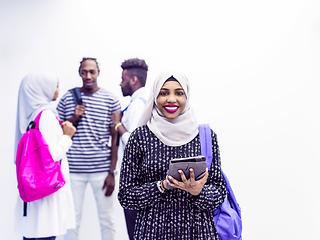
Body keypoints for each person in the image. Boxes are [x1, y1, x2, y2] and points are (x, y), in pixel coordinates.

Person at [118, 69, 227, 240]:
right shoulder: (140, 137)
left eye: (179, 93)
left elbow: (219, 192)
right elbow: (126, 197)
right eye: (163, 93)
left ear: (187, 96)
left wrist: (198, 191)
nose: (171, 99)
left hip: (197, 232)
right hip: (152, 232)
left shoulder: (206, 136)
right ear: (155, 96)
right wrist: (161, 186)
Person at [56, 57, 121, 240]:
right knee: (71, 219)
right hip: (74, 171)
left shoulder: (110, 99)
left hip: (101, 170)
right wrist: (74, 118)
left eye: (92, 71)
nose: (88, 76)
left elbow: (114, 138)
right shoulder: (68, 97)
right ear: (79, 73)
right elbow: (56, 131)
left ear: (98, 72)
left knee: (107, 219)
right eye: (84, 71)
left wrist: (112, 172)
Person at [14, 72, 76, 240]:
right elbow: (51, 156)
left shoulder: (31, 115)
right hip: (48, 189)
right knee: (46, 232)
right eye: (55, 86)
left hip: (35, 188)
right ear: (42, 89)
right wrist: (67, 136)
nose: (58, 90)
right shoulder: (46, 115)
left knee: (34, 232)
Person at [111, 58, 149, 240]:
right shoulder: (147, 101)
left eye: (122, 78)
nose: (120, 83)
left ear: (133, 80)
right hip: (144, 181)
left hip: (135, 183)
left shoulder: (136, 106)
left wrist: (118, 125)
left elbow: (136, 146)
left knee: (136, 234)